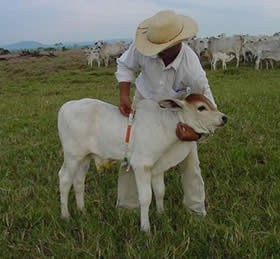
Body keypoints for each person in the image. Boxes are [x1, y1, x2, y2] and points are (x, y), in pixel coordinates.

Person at [115, 10, 217, 216]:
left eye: (162, 49)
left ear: (177, 44)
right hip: (144, 103)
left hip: (177, 111)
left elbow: (207, 105)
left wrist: (195, 135)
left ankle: (195, 209)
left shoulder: (192, 68)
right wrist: (125, 95)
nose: (156, 52)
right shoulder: (143, 48)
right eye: (154, 48)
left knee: (189, 160)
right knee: (131, 152)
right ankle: (127, 207)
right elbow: (125, 65)